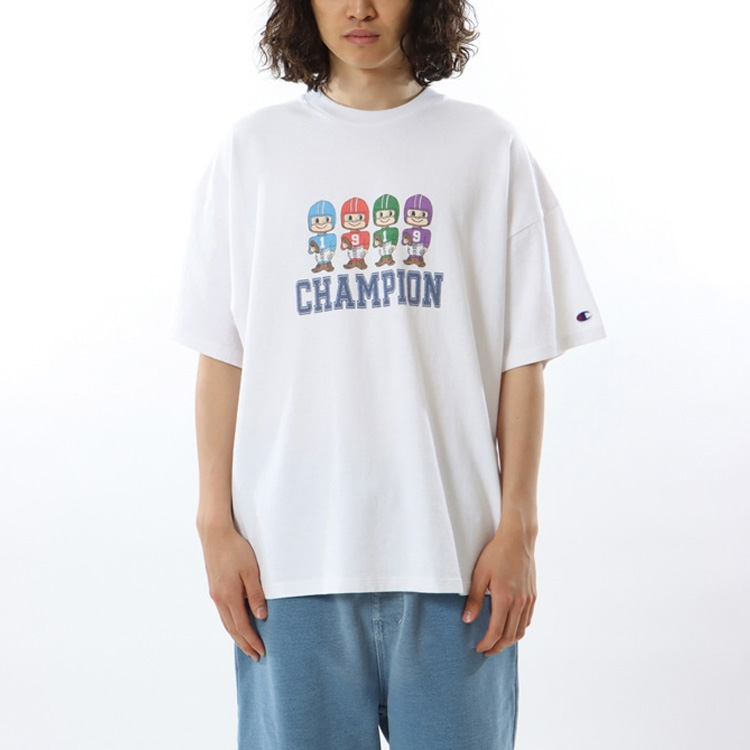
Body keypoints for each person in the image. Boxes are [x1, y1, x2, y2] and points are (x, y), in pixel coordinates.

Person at [168, 1, 606, 748]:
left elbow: (523, 358)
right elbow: (222, 355)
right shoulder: (253, 154)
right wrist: (214, 525)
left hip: (457, 563)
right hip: (289, 567)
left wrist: (519, 530)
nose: (360, 8)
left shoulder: (488, 147)